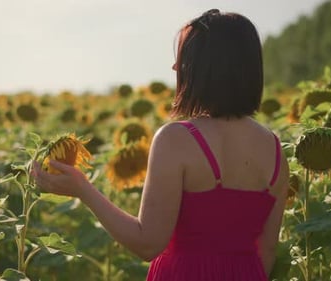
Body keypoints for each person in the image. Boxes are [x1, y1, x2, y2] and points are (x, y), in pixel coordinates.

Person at [32, 9, 289, 281]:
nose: (175, 68)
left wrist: (83, 189)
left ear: (203, 68)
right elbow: (268, 250)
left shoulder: (176, 140)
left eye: (183, 58)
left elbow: (148, 243)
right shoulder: (274, 150)